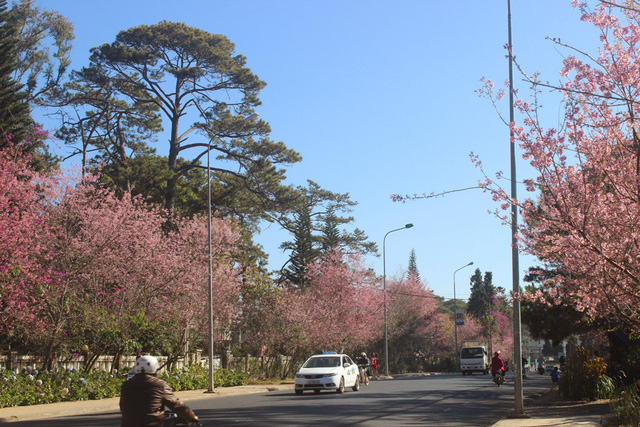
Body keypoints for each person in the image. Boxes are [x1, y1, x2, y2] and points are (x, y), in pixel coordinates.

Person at [120, 355, 199, 427]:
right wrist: (192, 417)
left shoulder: (126, 386)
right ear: (155, 370)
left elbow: (123, 406)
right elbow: (177, 405)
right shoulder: (159, 385)